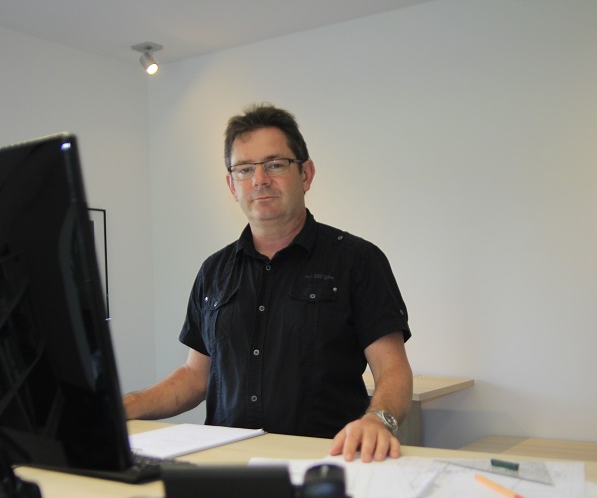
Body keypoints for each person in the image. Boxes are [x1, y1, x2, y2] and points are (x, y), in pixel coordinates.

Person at [123, 103, 413, 462]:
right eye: (245, 169)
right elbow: (196, 376)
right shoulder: (213, 271)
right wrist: (128, 404)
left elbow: (392, 369)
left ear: (305, 174)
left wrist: (378, 421)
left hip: (325, 464)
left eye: (275, 164)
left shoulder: (357, 261)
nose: (259, 179)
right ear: (232, 185)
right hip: (226, 465)